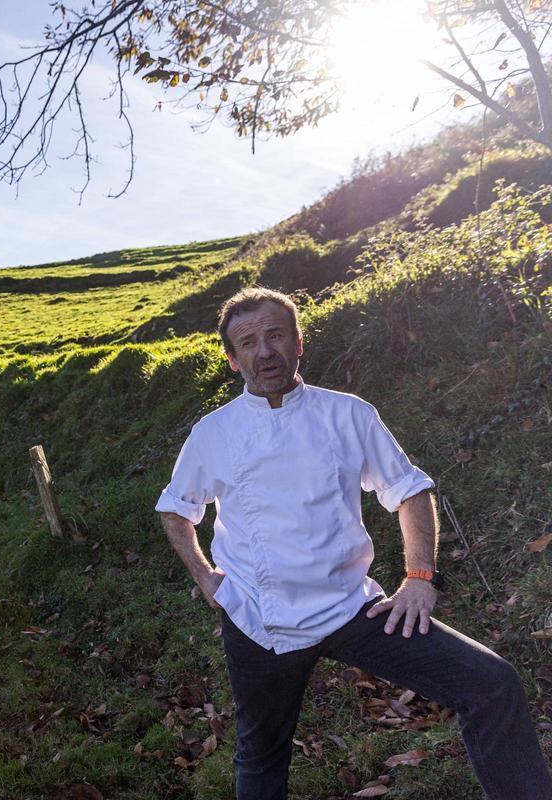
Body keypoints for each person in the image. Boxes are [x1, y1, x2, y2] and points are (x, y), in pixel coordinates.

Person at [155, 286, 552, 800]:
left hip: (351, 609)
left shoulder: (348, 415)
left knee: (492, 684)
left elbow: (409, 491)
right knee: (262, 755)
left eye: (276, 335)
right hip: (259, 619)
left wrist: (419, 577)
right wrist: (203, 574)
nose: (265, 351)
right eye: (249, 342)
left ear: (300, 341)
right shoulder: (214, 433)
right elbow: (175, 508)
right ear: (232, 360)